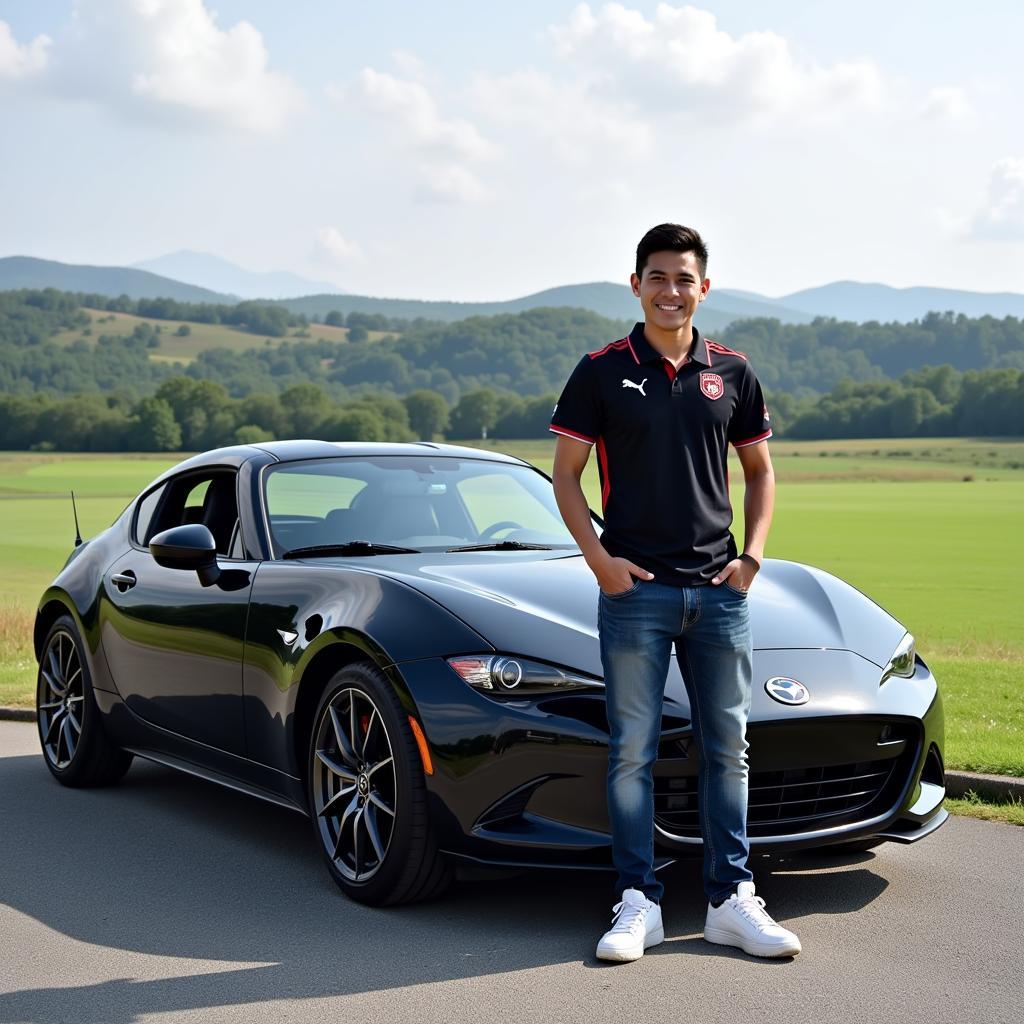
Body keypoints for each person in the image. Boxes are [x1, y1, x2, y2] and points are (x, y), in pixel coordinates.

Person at [549, 223, 801, 962]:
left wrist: (752, 557)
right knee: (633, 752)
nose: (670, 291)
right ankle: (638, 903)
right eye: (656, 277)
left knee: (730, 749)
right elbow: (565, 473)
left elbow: (759, 471)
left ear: (703, 287)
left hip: (720, 594)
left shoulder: (734, 371)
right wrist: (598, 560)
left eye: (683, 278)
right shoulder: (600, 370)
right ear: (636, 285)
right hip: (635, 595)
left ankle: (731, 900)